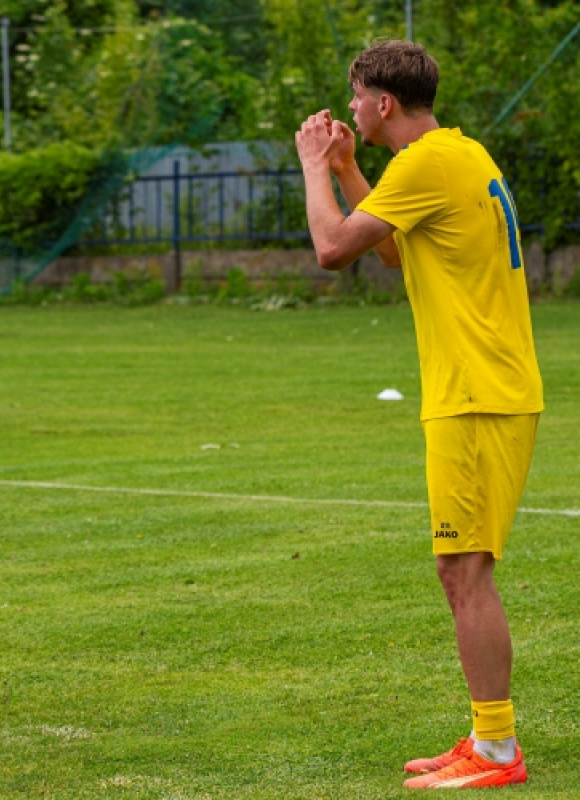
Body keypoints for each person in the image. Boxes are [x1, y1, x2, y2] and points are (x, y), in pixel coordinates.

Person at [295, 40, 543, 789]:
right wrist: (346, 170)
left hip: (476, 393)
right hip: (486, 389)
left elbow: (334, 248)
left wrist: (312, 167)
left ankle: (498, 751)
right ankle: (486, 736)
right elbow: (401, 251)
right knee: (459, 569)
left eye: (355, 95)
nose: (349, 107)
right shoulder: (457, 155)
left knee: (464, 571)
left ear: (381, 104)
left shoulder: (425, 164)